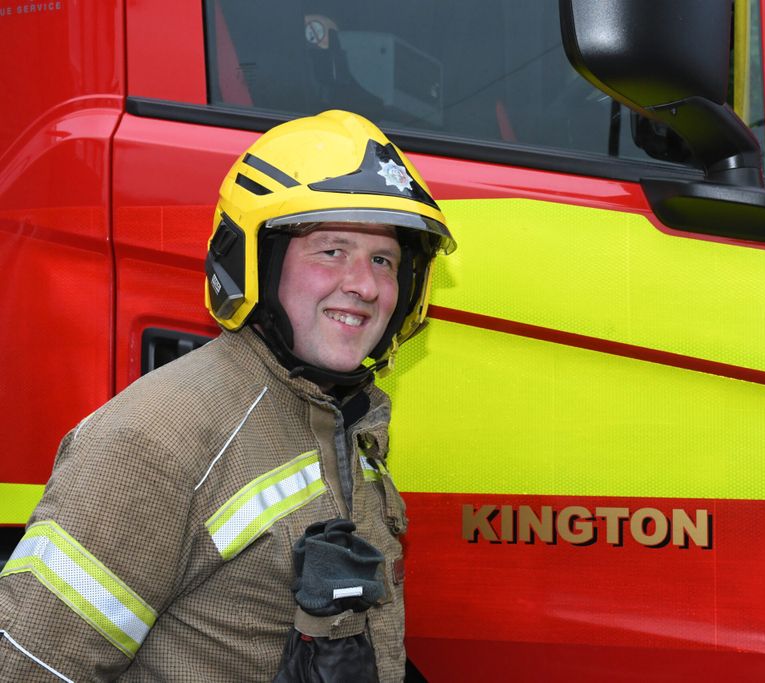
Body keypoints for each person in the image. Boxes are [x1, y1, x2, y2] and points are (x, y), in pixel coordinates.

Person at [0, 109, 455, 681]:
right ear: (253, 263)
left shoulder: (340, 417)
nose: (364, 285)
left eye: (383, 260)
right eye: (332, 251)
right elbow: (32, 665)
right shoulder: (154, 441)